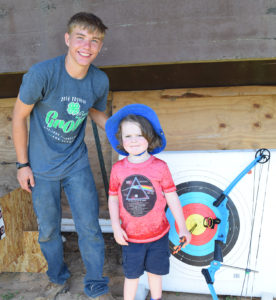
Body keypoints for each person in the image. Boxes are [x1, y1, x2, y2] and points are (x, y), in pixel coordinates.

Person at [12, 12, 113, 300]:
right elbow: (19, 117)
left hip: (76, 164)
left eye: (95, 41)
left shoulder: (99, 80)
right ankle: (57, 279)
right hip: (41, 166)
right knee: (48, 231)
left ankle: (96, 286)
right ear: (68, 39)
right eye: (80, 38)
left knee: (90, 228)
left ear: (100, 46)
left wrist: (120, 131)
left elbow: (94, 110)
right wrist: (23, 165)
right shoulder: (42, 74)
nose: (87, 46)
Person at [105, 104, 192, 300]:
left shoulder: (160, 167)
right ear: (120, 139)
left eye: (139, 135)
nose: (133, 140)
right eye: (128, 136)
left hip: (158, 235)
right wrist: (115, 227)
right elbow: (112, 198)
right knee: (131, 275)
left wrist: (183, 227)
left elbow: (172, 197)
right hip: (131, 237)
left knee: (155, 273)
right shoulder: (118, 169)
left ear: (150, 137)